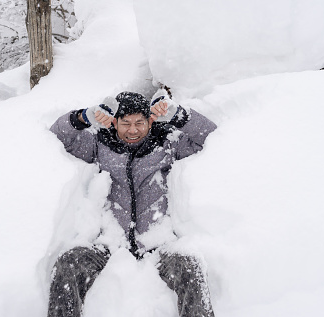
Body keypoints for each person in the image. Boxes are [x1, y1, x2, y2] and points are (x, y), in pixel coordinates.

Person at [48, 90, 217, 317]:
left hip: (158, 243)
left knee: (190, 267)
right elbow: (57, 138)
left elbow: (211, 136)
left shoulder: (166, 143)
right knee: (69, 263)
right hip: (109, 243)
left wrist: (177, 114)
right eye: (125, 123)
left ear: (150, 121)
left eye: (140, 122)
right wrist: (84, 117)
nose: (133, 130)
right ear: (114, 123)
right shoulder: (101, 146)